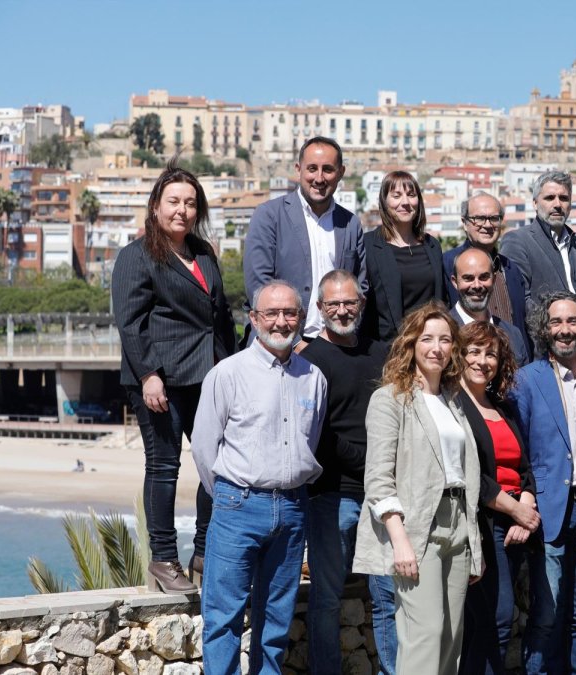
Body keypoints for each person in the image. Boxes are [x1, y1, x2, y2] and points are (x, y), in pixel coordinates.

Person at [191, 280, 327, 675]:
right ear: (253, 319)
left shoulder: (313, 378)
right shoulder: (227, 374)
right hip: (238, 506)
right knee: (223, 617)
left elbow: (311, 439)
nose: (281, 322)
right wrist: (230, 495)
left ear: (301, 318)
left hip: (293, 508)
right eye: (271, 313)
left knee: (276, 620)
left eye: (290, 313)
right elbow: (204, 447)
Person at [112, 162, 237, 592]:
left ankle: (203, 550)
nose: (182, 210)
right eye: (174, 202)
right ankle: (163, 560)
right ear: (156, 206)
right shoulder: (136, 255)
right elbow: (130, 322)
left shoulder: (204, 253)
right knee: (164, 466)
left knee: (217, 466)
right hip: (160, 380)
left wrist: (233, 365)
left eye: (190, 202)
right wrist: (149, 375)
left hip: (209, 376)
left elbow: (220, 316)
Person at [353, 302, 483, 675]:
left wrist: (473, 541)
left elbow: (463, 471)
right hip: (416, 526)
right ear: (411, 344)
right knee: (425, 635)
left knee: (450, 640)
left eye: (445, 340)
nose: (436, 348)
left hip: (458, 523)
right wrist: (400, 540)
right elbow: (378, 478)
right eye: (427, 339)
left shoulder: (454, 401)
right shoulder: (390, 398)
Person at [300, 270, 392, 675]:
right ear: (320, 308)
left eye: (349, 302)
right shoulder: (309, 361)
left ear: (362, 304)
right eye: (333, 303)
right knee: (326, 598)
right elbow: (316, 435)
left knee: (388, 595)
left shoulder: (381, 354)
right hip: (332, 495)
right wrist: (370, 464)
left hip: (382, 494)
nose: (342, 310)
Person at [510, 291, 576, 674]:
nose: (565, 330)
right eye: (556, 322)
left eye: (572, 321)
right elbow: (519, 447)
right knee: (547, 612)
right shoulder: (527, 380)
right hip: (549, 508)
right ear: (544, 329)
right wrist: (526, 496)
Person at [456, 321, 541, 675]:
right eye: (474, 351)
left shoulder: (502, 406)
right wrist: (517, 510)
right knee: (497, 618)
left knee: (486, 623)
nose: (482, 361)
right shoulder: (453, 406)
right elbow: (470, 473)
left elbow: (524, 466)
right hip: (483, 524)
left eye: (490, 354)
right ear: (459, 356)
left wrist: (527, 503)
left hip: (514, 524)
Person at [243, 136, 368, 342]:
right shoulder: (269, 216)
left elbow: (360, 287)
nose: (319, 178)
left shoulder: (350, 224)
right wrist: (295, 343)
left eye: (327, 169)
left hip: (336, 344)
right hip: (278, 343)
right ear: (298, 169)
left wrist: (344, 336)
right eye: (312, 169)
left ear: (341, 173)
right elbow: (258, 285)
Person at [502, 171, 576, 326]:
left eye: (563, 198)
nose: (557, 204)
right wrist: (554, 327)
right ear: (535, 203)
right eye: (550, 198)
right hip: (541, 337)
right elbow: (518, 298)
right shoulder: (518, 242)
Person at [362, 170, 449, 342]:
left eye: (411, 195)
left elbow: (441, 298)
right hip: (388, 346)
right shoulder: (368, 245)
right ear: (384, 202)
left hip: (429, 345)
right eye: (396, 196)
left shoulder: (432, 245)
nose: (405, 202)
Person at [443, 191, 531, 354]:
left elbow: (521, 321)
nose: (488, 225)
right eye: (479, 218)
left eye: (494, 218)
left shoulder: (511, 268)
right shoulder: (447, 264)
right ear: (465, 223)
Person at [450, 247, 529, 367]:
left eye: (484, 277)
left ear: (494, 279)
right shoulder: (443, 332)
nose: (477, 285)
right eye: (468, 278)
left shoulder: (513, 334)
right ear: (455, 282)